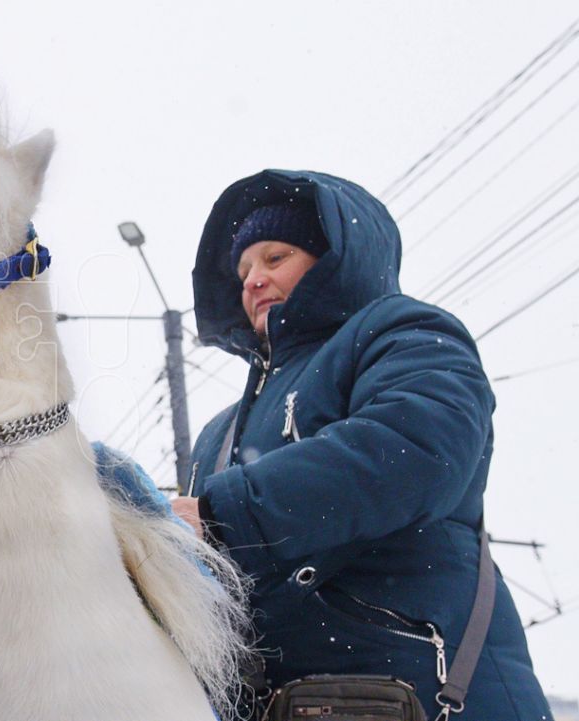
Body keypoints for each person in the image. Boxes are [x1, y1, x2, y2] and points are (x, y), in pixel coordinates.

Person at [172, 170, 552, 720]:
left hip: (423, 697)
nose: (253, 281)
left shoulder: (401, 334)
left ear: (331, 261)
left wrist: (220, 515)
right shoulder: (219, 432)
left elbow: (416, 449)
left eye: (275, 258)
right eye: (243, 270)